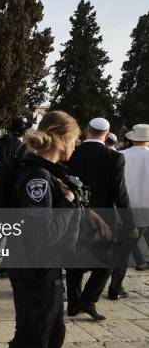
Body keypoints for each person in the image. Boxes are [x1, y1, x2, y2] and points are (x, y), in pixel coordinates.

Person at [0, 111, 88, 348]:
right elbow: (41, 235)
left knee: (52, 336)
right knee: (32, 343)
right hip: (34, 271)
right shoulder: (37, 176)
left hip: (44, 269)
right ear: (62, 138)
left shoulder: (48, 172)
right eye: (74, 139)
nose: (75, 145)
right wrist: (68, 201)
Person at [65, 118, 136, 320]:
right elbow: (120, 193)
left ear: (87, 131)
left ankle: (73, 303)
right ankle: (88, 299)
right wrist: (129, 223)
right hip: (104, 216)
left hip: (74, 213)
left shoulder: (72, 153)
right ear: (107, 134)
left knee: (73, 260)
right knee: (106, 261)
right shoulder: (114, 157)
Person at [109, 124, 149, 295]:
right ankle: (115, 287)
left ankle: (116, 286)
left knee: (124, 247)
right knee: (126, 247)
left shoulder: (119, 155)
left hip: (123, 206)